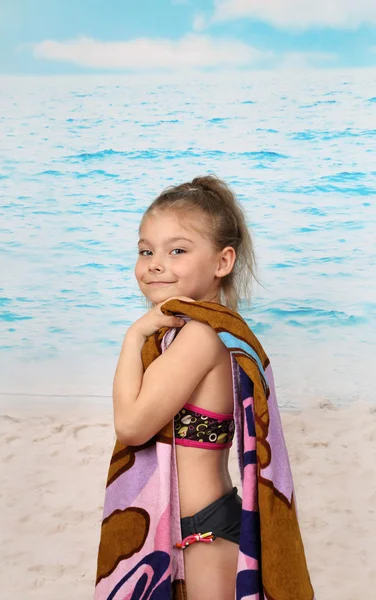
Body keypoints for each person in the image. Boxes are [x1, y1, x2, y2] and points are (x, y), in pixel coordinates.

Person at [112, 174, 261, 600]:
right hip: (195, 521)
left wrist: (132, 337)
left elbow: (133, 424)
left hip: (205, 527)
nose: (155, 263)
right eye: (146, 250)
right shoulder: (185, 332)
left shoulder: (200, 336)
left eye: (177, 250)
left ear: (222, 262)